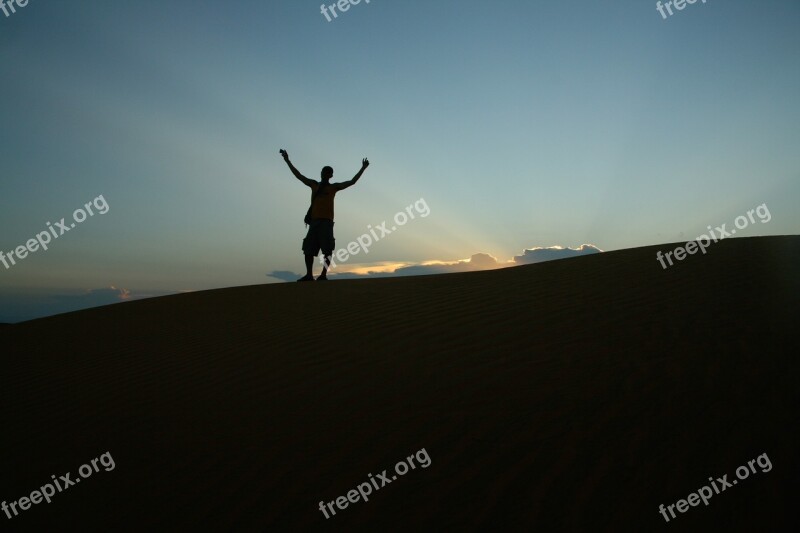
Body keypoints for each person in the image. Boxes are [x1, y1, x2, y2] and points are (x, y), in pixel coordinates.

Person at [280, 149, 369, 281]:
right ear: (321, 173)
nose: (325, 174)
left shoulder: (333, 188)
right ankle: (309, 274)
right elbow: (298, 175)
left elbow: (352, 182)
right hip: (314, 222)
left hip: (327, 223)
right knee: (308, 249)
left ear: (331, 175)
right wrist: (287, 160)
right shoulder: (314, 185)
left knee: (327, 250)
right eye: (324, 172)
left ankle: (323, 274)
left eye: (328, 173)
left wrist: (363, 168)